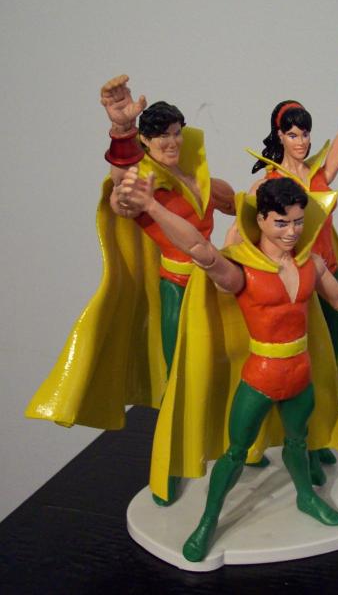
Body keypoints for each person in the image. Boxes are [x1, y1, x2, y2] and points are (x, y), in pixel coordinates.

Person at [118, 168, 338, 562]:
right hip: (260, 377)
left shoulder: (311, 265)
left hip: (300, 375)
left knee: (298, 441)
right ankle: (208, 521)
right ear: (261, 219)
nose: (291, 232)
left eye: (297, 222)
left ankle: (306, 496)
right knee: (235, 453)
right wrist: (152, 206)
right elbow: (199, 250)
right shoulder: (243, 271)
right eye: (281, 223)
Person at [26, 75, 234, 505]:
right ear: (146, 141)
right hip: (179, 289)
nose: (171, 142)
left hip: (218, 286)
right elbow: (122, 192)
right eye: (161, 136)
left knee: (230, 366)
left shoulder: (200, 178)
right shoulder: (144, 185)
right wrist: (122, 129)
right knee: (179, 378)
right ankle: (171, 464)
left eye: (176, 133)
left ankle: (240, 443)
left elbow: (242, 207)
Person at [246, 36, 338, 482]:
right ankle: (296, 448)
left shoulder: (321, 173)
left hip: (330, 279)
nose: (301, 141)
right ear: (279, 136)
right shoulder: (269, 183)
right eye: (292, 133)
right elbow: (248, 231)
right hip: (296, 289)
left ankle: (320, 439)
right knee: (297, 375)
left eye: (305, 133)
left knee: (330, 365)